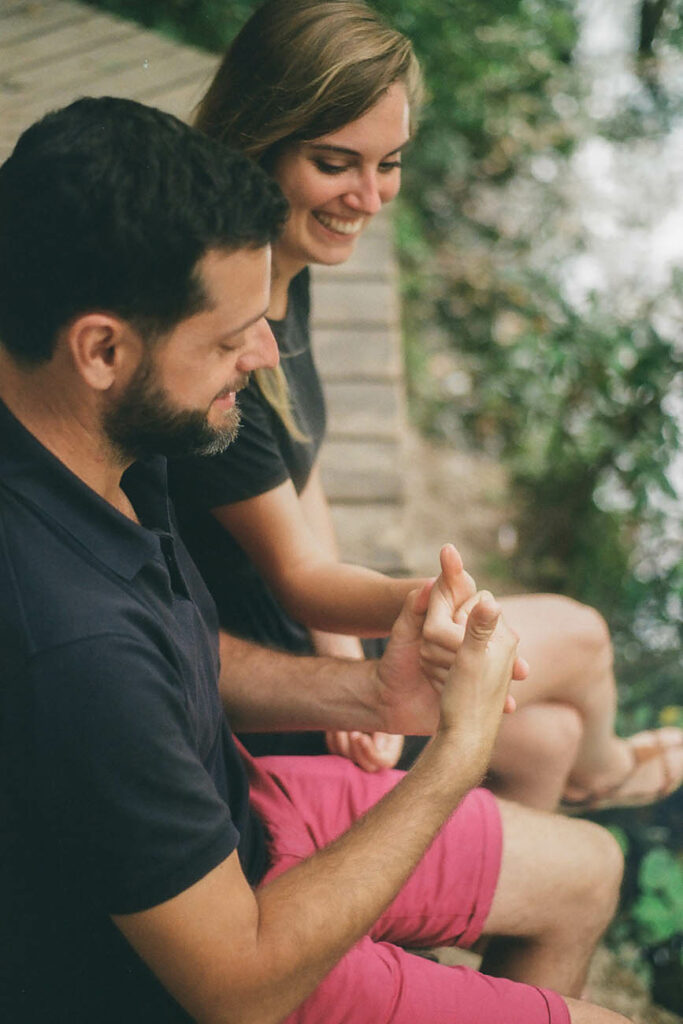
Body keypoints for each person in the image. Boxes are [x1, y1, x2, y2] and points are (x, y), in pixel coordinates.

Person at [0, 95, 632, 1024]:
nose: (263, 355)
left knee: (588, 869)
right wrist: (453, 756)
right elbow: (238, 985)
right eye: (229, 337)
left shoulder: (101, 438)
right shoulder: (69, 645)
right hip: (214, 960)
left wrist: (372, 694)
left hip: (242, 817)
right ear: (101, 349)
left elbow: (180, 657)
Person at [168, 0, 683, 809]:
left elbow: (299, 477)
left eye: (390, 163)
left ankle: (491, 864)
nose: (369, 197)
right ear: (258, 139)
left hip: (309, 647)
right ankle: (607, 775)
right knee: (582, 637)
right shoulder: (225, 333)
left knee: (545, 740)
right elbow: (300, 577)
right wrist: (428, 607)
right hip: (258, 687)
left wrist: (344, 652)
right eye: (335, 163)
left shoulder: (284, 265)